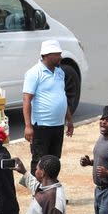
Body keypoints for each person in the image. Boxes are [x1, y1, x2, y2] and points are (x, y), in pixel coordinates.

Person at [22, 39, 74, 171]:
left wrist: (69, 120)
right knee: (40, 161)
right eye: (57, 54)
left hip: (57, 126)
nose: (60, 57)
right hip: (41, 127)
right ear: (47, 55)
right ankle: (38, 191)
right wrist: (28, 126)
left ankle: (51, 189)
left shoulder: (60, 72)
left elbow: (63, 97)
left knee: (54, 161)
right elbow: (26, 100)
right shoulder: (34, 73)